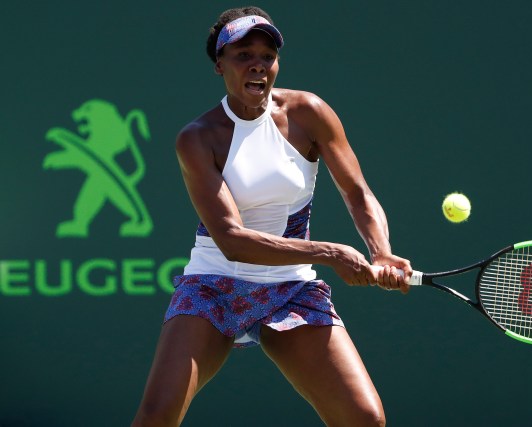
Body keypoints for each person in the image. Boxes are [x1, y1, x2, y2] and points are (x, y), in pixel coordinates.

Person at [132, 6, 412, 427]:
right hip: (213, 283)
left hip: (290, 289)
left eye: (267, 55)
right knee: (157, 416)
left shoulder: (308, 112)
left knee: (364, 419)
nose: (258, 65)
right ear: (219, 65)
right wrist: (329, 253)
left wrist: (382, 252)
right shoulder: (197, 138)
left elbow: (358, 193)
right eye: (244, 55)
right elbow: (231, 237)